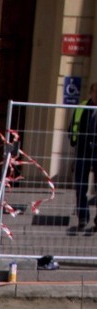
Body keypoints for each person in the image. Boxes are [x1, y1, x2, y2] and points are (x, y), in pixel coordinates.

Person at [68, 82, 97, 232]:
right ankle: (83, 217)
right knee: (80, 186)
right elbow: (72, 127)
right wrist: (75, 144)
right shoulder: (82, 107)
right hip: (82, 151)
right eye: (95, 92)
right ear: (91, 92)